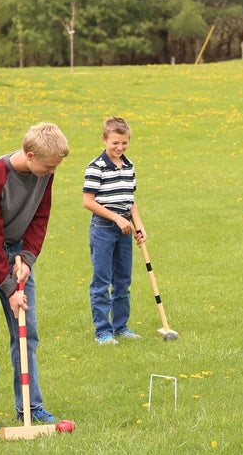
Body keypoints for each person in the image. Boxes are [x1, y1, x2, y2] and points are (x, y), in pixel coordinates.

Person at [0, 123, 69, 434]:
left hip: (18, 250)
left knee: (26, 334)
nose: (51, 171)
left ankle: (31, 407)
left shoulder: (44, 172)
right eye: (48, 166)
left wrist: (29, 259)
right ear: (31, 155)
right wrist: (10, 289)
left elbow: (40, 216)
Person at [83, 117, 146, 345]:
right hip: (103, 229)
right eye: (115, 143)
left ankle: (121, 327)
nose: (120, 148)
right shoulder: (95, 167)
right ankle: (103, 332)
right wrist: (117, 218)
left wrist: (139, 227)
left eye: (125, 143)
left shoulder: (129, 166)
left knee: (123, 281)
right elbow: (88, 201)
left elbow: (131, 201)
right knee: (102, 280)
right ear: (104, 140)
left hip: (126, 230)